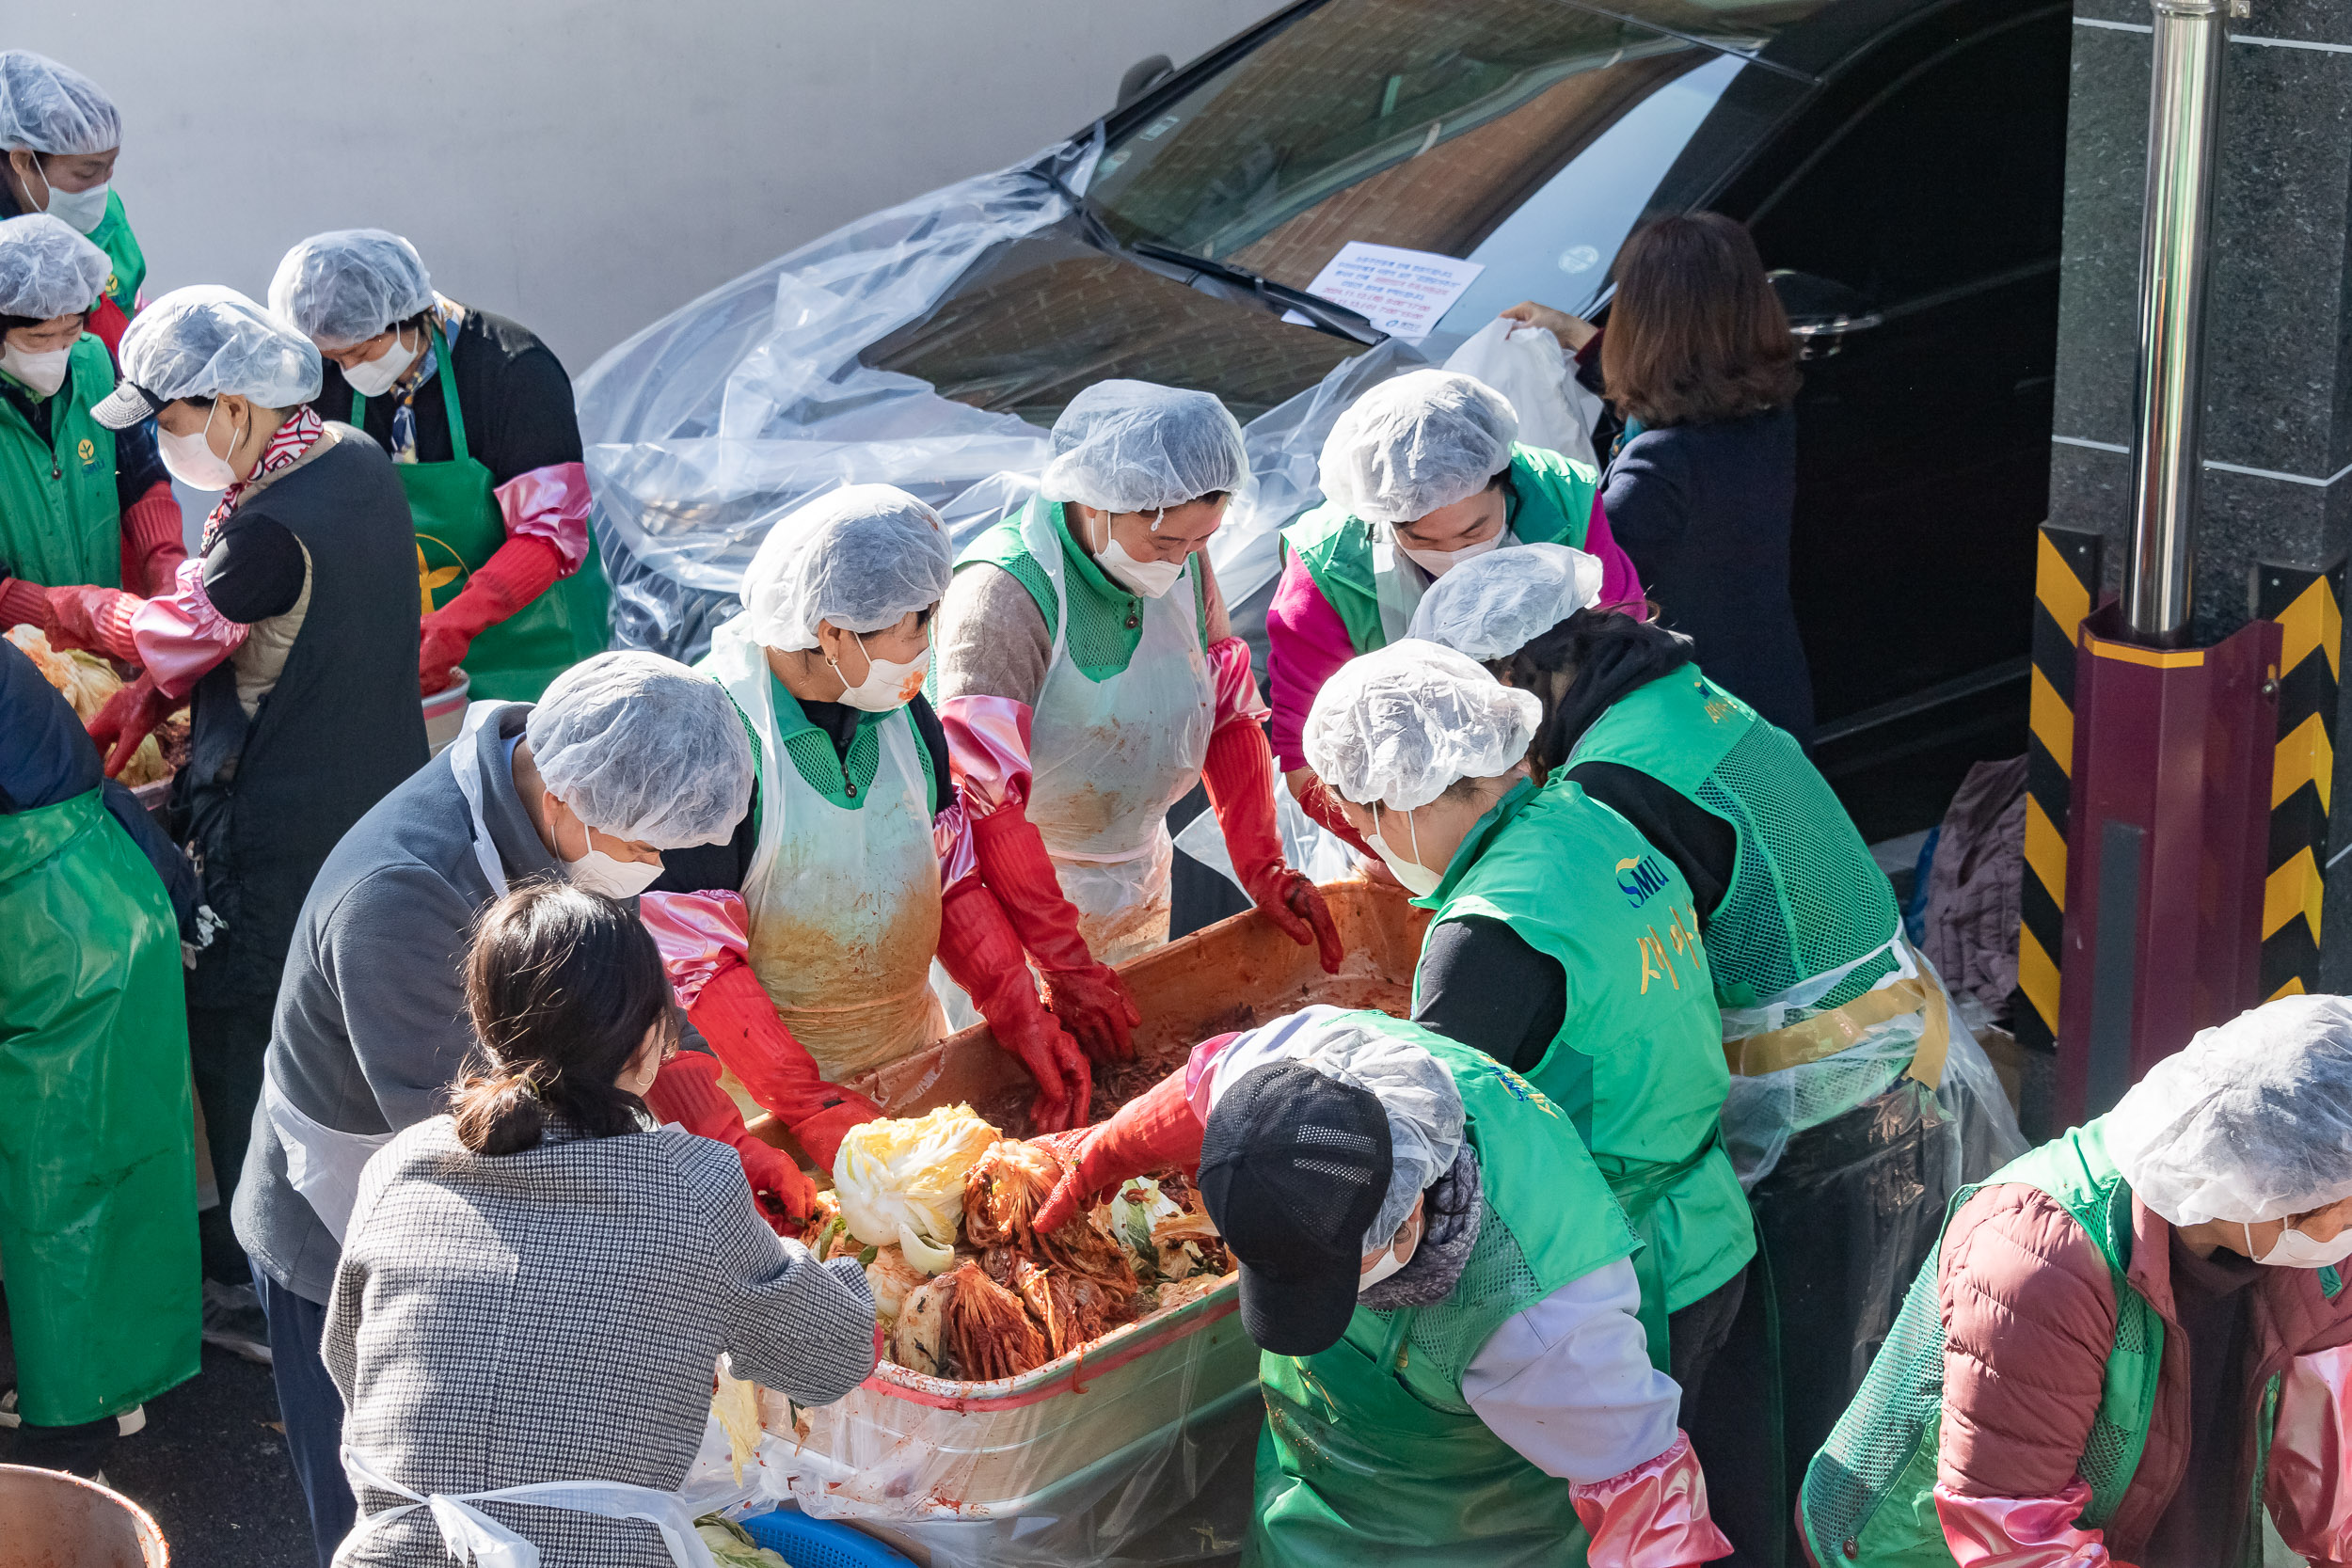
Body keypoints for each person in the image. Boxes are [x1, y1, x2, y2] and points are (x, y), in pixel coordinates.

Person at [1411, 543, 2026, 1542]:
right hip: (1889, 1049)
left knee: (1798, 1408)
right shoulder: (1675, 693)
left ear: (1524, 675)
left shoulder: (1612, 775)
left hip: (1826, 1104)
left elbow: (1618, 967)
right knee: (1866, 1379)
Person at [235, 649, 834, 1565]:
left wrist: (711, 1125)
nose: (657, 865)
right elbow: (499, 1146)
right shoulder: (402, 896)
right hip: (353, 1214)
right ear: (566, 799)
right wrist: (687, 1207)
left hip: (494, 1179)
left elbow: (615, 1001)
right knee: (399, 1487)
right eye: (646, 847)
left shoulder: (570, 801)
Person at [1030, 1004, 1733, 1565]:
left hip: (1474, 1532)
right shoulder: (1297, 1077)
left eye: (1330, 1278)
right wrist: (1097, 1160)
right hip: (1314, 1496)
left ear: (1406, 1220)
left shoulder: (1544, 1326)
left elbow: (1651, 1510)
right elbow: (1203, 1087)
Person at [326, 880, 876, 1568]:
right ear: (649, 1041)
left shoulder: (399, 1166)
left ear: (489, 1027)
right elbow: (834, 1357)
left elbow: (352, 1366)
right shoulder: (691, 1183)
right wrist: (841, 1260)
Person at [79, 285, 427, 1322]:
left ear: (232, 406)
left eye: (173, 419)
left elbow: (167, 639)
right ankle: (368, 1239)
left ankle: (255, 1269)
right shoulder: (353, 459)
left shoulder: (263, 532)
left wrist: (59, 607)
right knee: (351, 1029)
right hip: (375, 807)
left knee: (246, 1033)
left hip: (280, 830)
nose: (168, 442)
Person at [1301, 641, 1754, 1416]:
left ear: (1399, 799)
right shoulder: (1594, 814)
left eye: (1360, 817)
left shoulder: (1484, 937)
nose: (1367, 844)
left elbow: (1423, 1163)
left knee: (1625, 1505)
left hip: (1628, 1277)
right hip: (1714, 1222)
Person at [1801, 993, 2352, 1566]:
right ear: (2274, 1189)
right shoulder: (2036, 1263)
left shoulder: (2313, 1248)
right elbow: (2014, 1538)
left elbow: (2334, 1471)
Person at [650, 485, 1094, 1129]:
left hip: (913, 1064)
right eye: (916, 622)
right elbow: (700, 963)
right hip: (765, 1106)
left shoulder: (902, 711)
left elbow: (953, 882)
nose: (928, 641)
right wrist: (808, 1102)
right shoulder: (716, 739)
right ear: (832, 634)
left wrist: (1019, 1007)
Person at [936, 378, 1340, 1054]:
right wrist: (1062, 963)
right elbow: (984, 803)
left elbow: (1228, 707)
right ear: (1096, 501)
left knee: (1134, 1056)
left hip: (1135, 872)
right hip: (1016, 908)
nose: (1181, 561)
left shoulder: (1182, 551)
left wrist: (1263, 865)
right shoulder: (1003, 597)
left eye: (1200, 540)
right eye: (1164, 544)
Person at [1266, 368, 1642, 854]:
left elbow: (1626, 653)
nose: (1454, 557)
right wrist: (1423, 855)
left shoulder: (1564, 501)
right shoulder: (1327, 570)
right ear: (1380, 518)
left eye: (1474, 532)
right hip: (1423, 822)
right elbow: (1307, 761)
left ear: (1506, 485)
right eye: (1420, 540)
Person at [0, 639, 199, 1480]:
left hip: (61, 927)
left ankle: (81, 1414)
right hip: (93, 896)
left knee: (66, 1177)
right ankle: (98, 1383)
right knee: (102, 1165)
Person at [1503, 213, 1812, 745]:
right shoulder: (1765, 414)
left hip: (1708, 724)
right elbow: (1678, 391)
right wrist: (1574, 334)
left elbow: (1578, 574)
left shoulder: (1661, 468)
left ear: (1641, 326)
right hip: (1770, 689)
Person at [270, 229, 609, 701]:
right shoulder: (331, 382)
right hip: (416, 652)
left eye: (362, 352)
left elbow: (549, 533)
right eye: (334, 357)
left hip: (538, 649)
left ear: (412, 315)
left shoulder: (513, 370)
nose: (348, 370)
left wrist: (458, 623)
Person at [0, 214, 179, 656]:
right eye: (39, 338)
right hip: (17, 664)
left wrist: (165, 561)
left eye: (71, 331)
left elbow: (141, 472)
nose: (58, 351)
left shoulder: (94, 362)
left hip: (104, 648)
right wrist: (69, 609)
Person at [0, 51, 140, 352]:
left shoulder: (106, 211)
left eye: (109, 167)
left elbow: (127, 301)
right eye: (86, 172)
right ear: (24, 161)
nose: (100, 187)